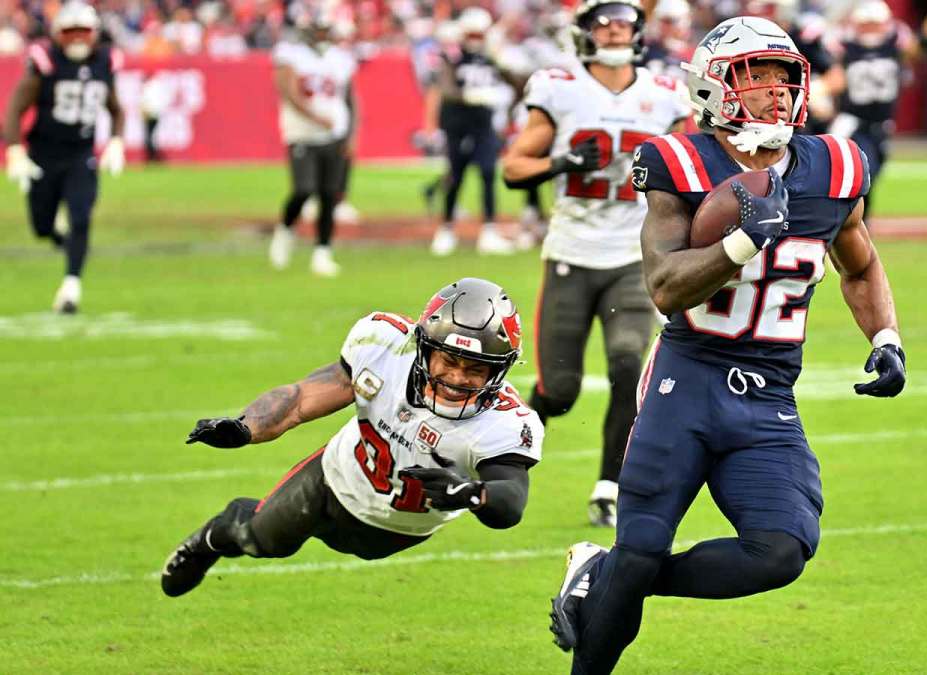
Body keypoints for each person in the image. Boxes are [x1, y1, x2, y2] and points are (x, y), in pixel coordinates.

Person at [547, 17, 906, 673]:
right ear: (712, 86)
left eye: (784, 76)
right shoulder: (678, 160)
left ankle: (608, 572)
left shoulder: (836, 165)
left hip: (767, 391)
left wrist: (885, 336)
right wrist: (741, 241)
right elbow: (663, 286)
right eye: (755, 75)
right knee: (645, 543)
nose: (775, 91)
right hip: (686, 378)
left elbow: (860, 263)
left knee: (780, 550)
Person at [161, 278, 543, 597]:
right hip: (332, 480)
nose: (459, 378)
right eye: (450, 361)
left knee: (356, 549)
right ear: (424, 349)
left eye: (476, 368)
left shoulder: (504, 422)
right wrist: (247, 427)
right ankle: (211, 537)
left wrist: (474, 493)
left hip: (397, 530)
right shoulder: (384, 346)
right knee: (261, 539)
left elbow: (511, 500)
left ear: (499, 370)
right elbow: (301, 399)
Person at [501, 0, 689, 528]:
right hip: (571, 252)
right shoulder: (560, 87)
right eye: (604, 22)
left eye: (624, 22)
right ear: (584, 33)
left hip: (634, 255)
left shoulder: (664, 92)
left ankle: (609, 486)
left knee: (629, 364)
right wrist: (561, 161)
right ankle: (506, 461)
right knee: (559, 390)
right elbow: (515, 167)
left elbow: (693, 161)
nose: (614, 31)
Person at [3, 1, 125, 314]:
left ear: (95, 33)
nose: (77, 39)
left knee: (82, 216)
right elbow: (15, 109)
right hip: (43, 154)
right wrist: (15, 149)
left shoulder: (104, 62)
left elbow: (116, 108)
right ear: (58, 34)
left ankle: (71, 287)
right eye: (70, 32)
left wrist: (115, 140)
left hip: (80, 153)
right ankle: (58, 232)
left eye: (83, 32)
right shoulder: (46, 61)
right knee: (41, 227)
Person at [826, 0, 927, 218]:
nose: (871, 29)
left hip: (881, 124)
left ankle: (858, 225)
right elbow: (832, 78)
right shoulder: (845, 47)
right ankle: (846, 223)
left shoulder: (895, 44)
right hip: (852, 122)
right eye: (866, 24)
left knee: (872, 176)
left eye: (875, 24)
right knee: (861, 174)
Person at [266, 10, 358, 277]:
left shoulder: (340, 59)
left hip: (334, 134)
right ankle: (284, 231)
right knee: (303, 189)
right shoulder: (291, 56)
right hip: (302, 134)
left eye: (324, 30)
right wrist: (315, 117)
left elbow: (351, 99)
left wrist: (351, 134)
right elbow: (287, 91)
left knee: (330, 196)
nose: (320, 36)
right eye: (316, 30)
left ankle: (323, 253)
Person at [425, 7, 517, 256]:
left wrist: (502, 64)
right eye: (472, 35)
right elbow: (444, 86)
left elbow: (515, 81)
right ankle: (446, 229)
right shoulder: (452, 56)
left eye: (480, 35)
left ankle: (489, 230)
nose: (476, 40)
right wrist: (468, 95)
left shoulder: (492, 57)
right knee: (456, 176)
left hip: (484, 124)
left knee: (488, 173)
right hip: (458, 124)